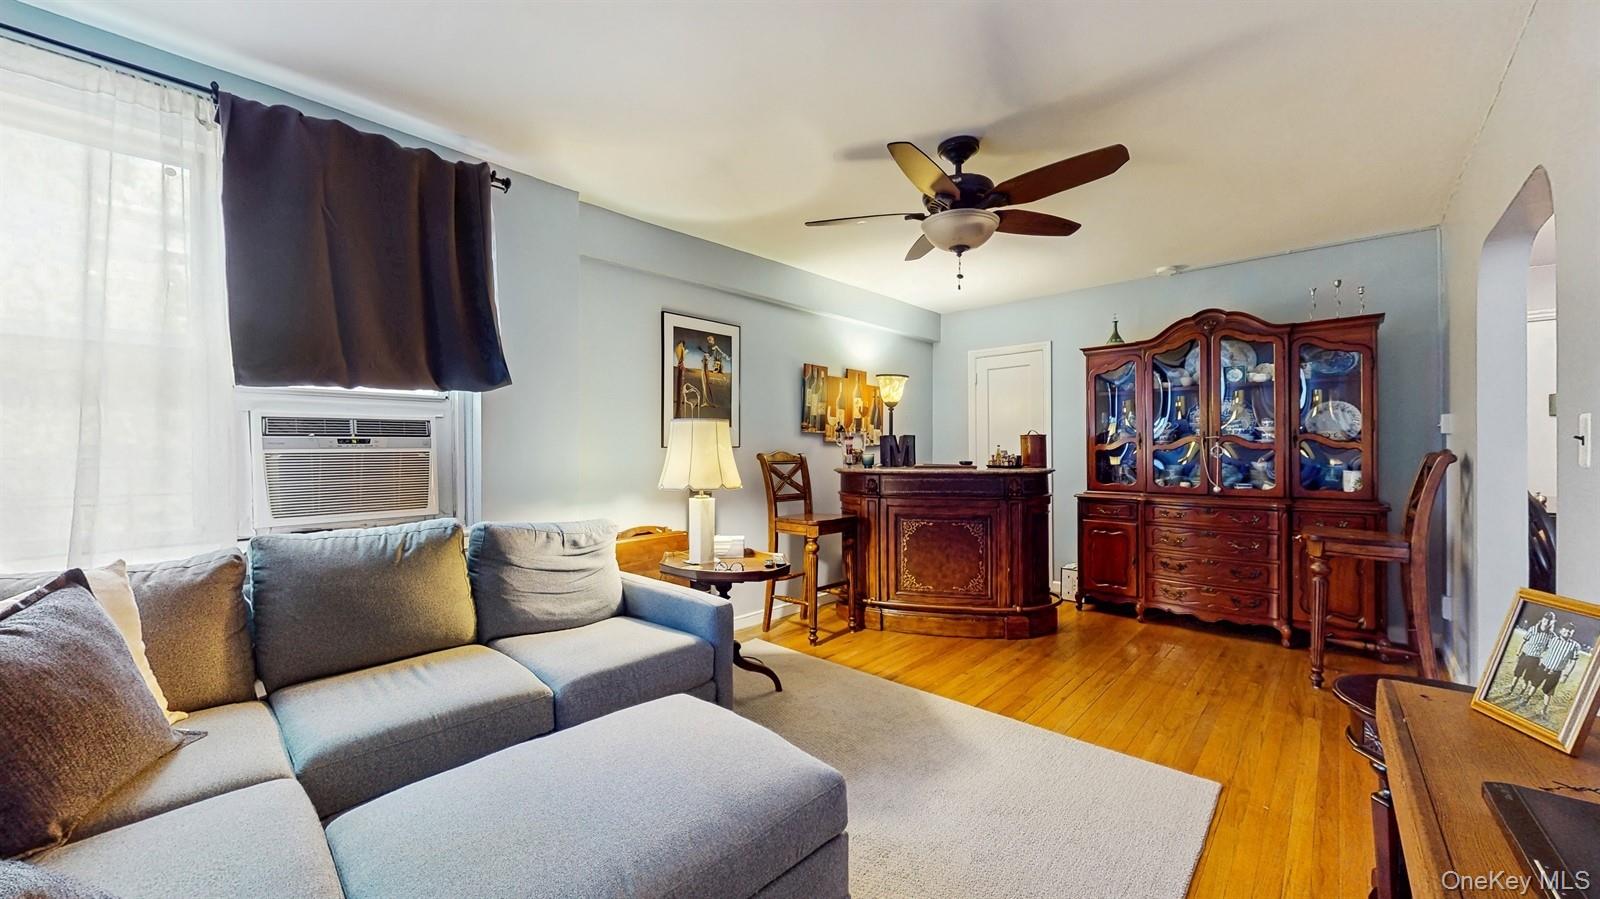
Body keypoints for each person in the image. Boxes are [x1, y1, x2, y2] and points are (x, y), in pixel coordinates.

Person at [1533, 622, 1585, 718]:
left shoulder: (1575, 646)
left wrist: (1565, 675)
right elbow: (1543, 649)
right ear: (1561, 630)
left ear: (1573, 633)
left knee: (1549, 692)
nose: (1567, 631)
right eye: (1566, 629)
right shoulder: (1553, 639)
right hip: (1543, 667)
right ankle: (1526, 699)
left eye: (1570, 630)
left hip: (1556, 672)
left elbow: (1573, 662)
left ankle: (1544, 709)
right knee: (1534, 685)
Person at [1511, 612, 1557, 694]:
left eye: (1549, 620)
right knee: (1517, 674)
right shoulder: (1533, 629)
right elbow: (1524, 640)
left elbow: (1552, 647)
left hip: (1535, 659)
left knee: (1527, 678)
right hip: (1525, 655)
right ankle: (1511, 689)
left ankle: (1521, 693)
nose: (1547, 621)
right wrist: (1518, 652)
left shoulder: (1551, 635)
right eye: (1546, 618)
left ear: (1552, 622)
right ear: (1542, 619)